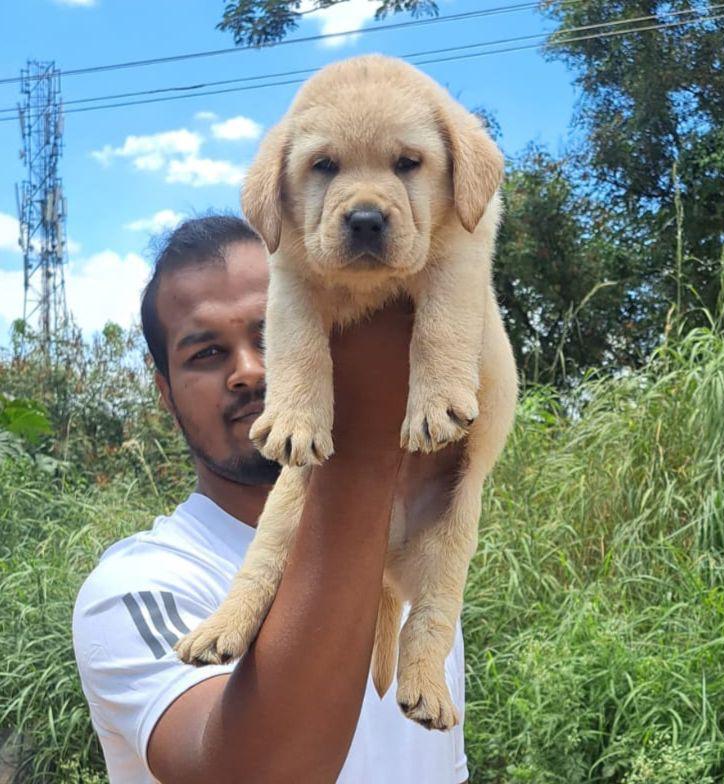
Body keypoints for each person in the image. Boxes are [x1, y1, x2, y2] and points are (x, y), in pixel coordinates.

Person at [72, 214, 470, 784]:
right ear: (165, 393)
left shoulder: (413, 564)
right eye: (206, 353)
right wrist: (361, 442)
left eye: (273, 329)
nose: (251, 371)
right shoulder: (140, 589)